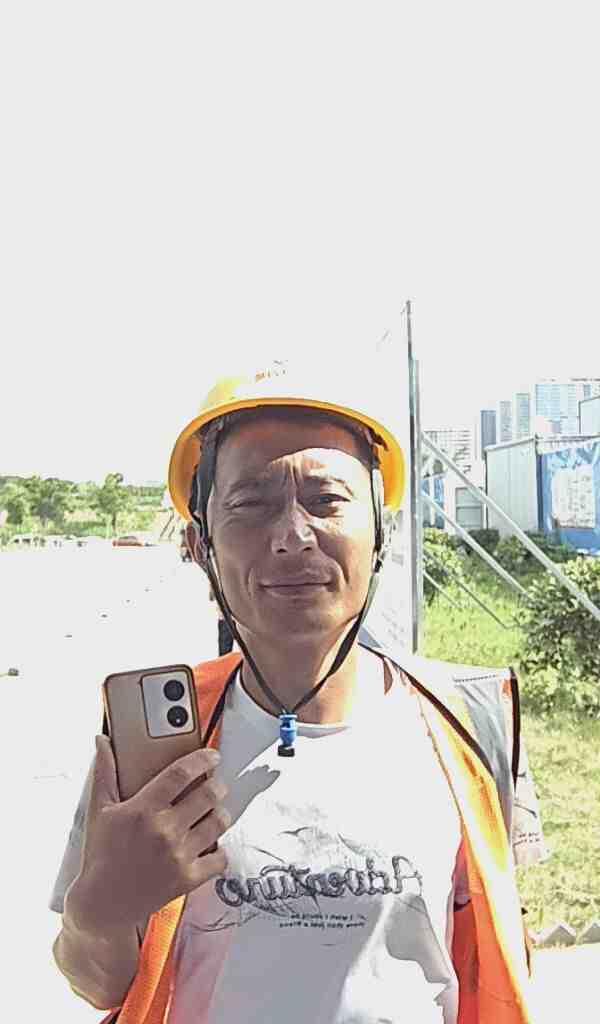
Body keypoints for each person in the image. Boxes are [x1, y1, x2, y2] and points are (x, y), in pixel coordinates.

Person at [50, 361, 547, 1023]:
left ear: (381, 534)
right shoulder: (153, 746)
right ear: (199, 544)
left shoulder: (468, 723)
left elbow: (495, 944)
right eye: (250, 505)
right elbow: (97, 984)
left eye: (327, 500)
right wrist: (98, 911)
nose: (291, 536)